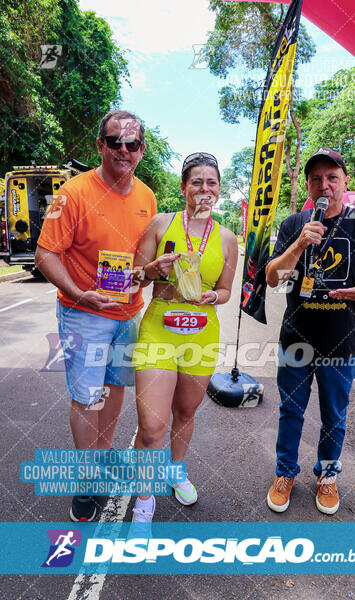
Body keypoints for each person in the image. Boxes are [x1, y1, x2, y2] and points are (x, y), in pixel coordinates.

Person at [35, 110, 157, 521]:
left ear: (141, 150)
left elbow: (146, 259)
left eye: (133, 144)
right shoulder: (73, 193)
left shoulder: (147, 196)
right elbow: (45, 254)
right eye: (115, 142)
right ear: (100, 145)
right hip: (83, 313)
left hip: (128, 312)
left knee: (115, 387)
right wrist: (79, 293)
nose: (125, 150)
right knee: (87, 396)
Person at [265, 148, 355, 515]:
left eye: (332, 178)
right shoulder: (294, 224)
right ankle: (285, 473)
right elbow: (273, 277)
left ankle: (326, 476)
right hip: (296, 341)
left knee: (334, 416)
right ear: (308, 185)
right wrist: (299, 244)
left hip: (341, 343)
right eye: (316, 179)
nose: (324, 185)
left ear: (345, 182)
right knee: (290, 410)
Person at [129, 152, 238, 528]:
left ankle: (176, 470)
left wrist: (214, 297)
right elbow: (131, 277)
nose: (204, 189)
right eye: (197, 182)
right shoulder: (162, 224)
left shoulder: (226, 238)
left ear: (218, 190)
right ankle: (144, 499)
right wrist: (150, 269)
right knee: (152, 425)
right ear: (184, 187)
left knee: (186, 412)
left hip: (201, 331)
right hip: (160, 326)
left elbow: (225, 291)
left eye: (211, 183)